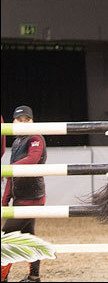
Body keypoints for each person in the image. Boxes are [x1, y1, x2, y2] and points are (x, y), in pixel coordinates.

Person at [1, 106, 47, 283]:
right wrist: (5, 200)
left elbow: (32, 159)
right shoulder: (16, 143)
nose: (23, 123)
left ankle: (2, 277)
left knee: (6, 237)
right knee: (28, 237)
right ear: (13, 122)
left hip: (32, 198)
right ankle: (34, 277)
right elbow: (11, 175)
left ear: (32, 121)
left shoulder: (35, 137)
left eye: (26, 120)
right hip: (20, 198)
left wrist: (8, 169)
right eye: (19, 120)